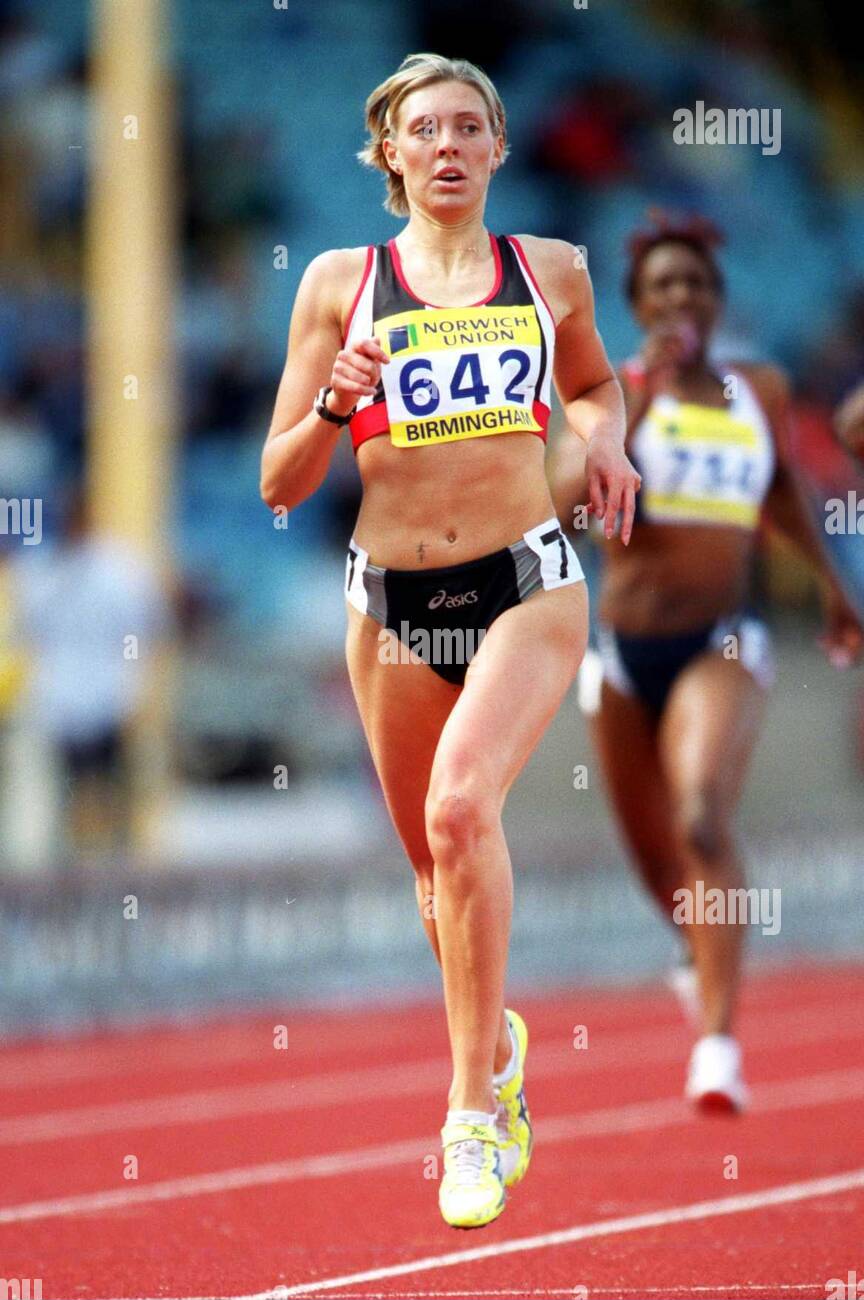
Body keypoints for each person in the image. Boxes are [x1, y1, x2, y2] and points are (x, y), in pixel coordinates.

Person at [261, 53, 639, 1228]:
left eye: (469, 127)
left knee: (461, 810)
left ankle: (470, 1113)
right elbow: (279, 481)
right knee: (435, 875)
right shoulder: (338, 284)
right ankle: (502, 1051)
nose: (448, 147)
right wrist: (334, 400)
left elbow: (590, 388)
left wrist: (607, 442)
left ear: (498, 149)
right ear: (391, 156)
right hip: (390, 603)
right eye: (424, 130)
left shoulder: (554, 271)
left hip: (527, 579)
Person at [549, 211, 863, 1113]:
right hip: (620, 649)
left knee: (699, 820)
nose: (680, 297)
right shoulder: (607, 392)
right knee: (656, 860)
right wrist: (637, 404)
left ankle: (718, 1047)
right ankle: (697, 949)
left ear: (717, 302)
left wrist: (838, 592)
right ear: (638, 306)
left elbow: (782, 494)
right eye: (662, 287)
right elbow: (563, 501)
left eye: (695, 284)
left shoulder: (757, 388)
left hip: (723, 636)